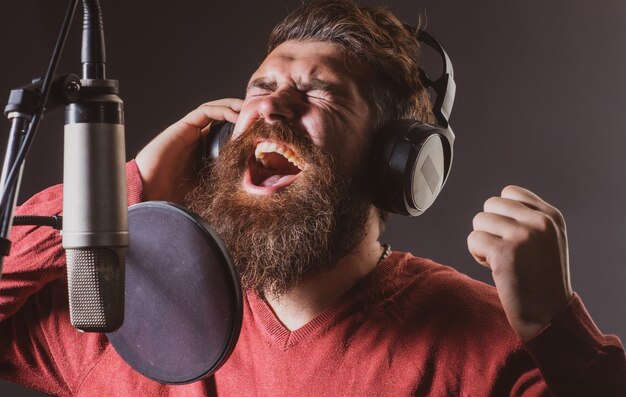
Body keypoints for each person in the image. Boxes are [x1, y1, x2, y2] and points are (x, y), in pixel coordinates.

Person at [1, 0, 625, 396]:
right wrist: (119, 190)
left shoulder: (485, 346)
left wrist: (556, 329)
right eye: (261, 88)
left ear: (395, 163)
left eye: (321, 94)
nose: (271, 106)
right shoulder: (121, 310)